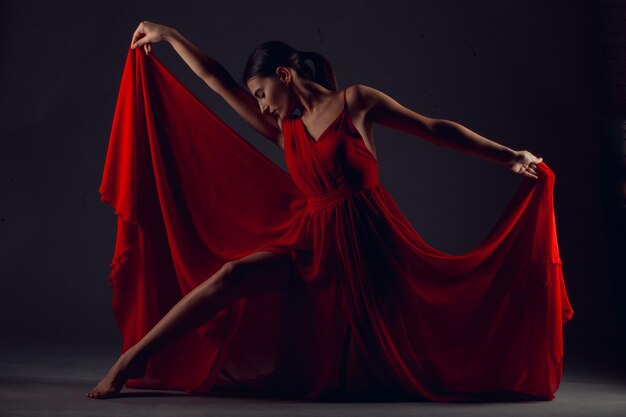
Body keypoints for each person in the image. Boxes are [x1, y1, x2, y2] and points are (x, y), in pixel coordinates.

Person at [87, 21, 551, 400]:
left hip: (372, 244)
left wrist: (509, 156)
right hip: (312, 245)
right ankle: (131, 359)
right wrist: (168, 35)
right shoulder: (283, 128)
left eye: (263, 92)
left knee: (429, 341)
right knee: (231, 276)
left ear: (284, 75)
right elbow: (216, 80)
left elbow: (434, 128)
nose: (262, 106)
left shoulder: (356, 103)